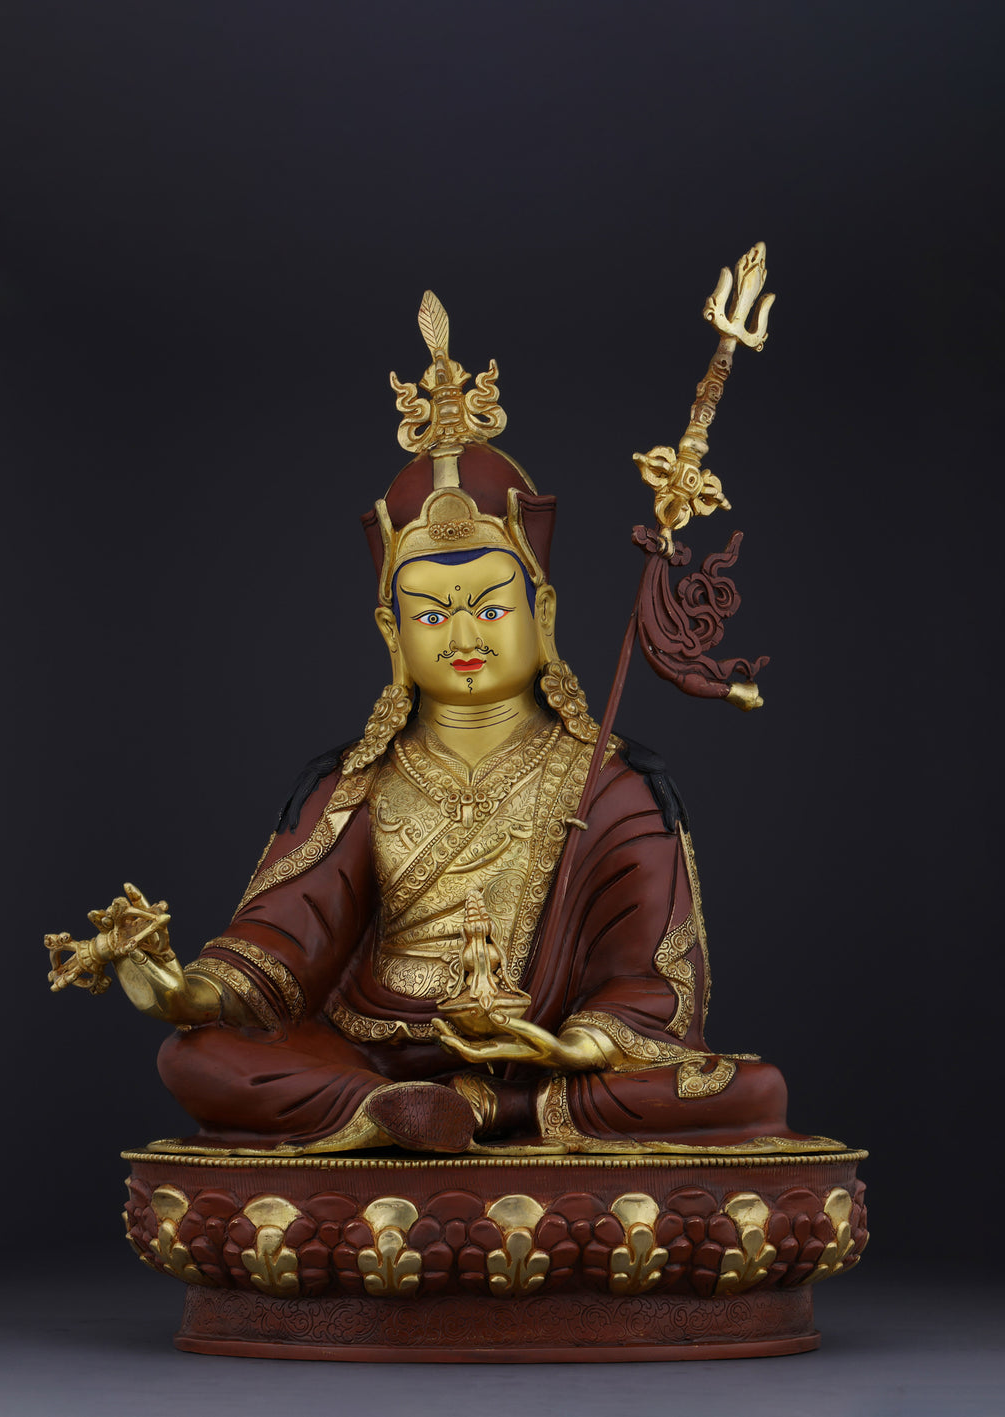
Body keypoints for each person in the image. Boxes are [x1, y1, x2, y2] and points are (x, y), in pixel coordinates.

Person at [45, 296, 816, 1157]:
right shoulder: (356, 780)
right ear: (392, 633)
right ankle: (393, 1110)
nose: (462, 635)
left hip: (537, 1060)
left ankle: (492, 1111)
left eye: (490, 605)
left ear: (544, 614)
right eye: (432, 612)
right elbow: (280, 942)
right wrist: (180, 991)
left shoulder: (615, 786)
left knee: (750, 1087)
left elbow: (649, 984)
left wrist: (573, 1044)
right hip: (367, 1051)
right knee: (197, 1056)